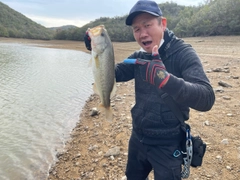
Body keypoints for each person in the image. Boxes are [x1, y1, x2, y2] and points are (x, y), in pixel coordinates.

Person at [84, 0, 215, 179]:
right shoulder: (140, 56)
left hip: (168, 144)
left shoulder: (183, 53)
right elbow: (114, 74)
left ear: (163, 23)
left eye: (147, 25)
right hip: (138, 138)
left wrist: (167, 80)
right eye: (137, 29)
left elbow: (207, 97)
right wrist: (97, 50)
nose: (142, 33)